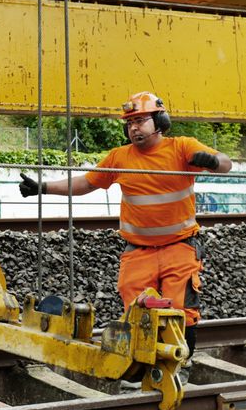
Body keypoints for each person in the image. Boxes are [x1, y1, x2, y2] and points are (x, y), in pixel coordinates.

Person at [18, 92, 232, 355]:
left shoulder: (181, 147)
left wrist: (211, 161)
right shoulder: (120, 157)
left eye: (140, 120)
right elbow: (86, 183)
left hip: (179, 247)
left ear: (160, 120)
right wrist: (44, 187)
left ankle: (180, 364)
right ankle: (144, 365)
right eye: (130, 123)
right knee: (137, 312)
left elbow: (226, 163)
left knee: (180, 311)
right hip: (138, 251)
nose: (133, 128)